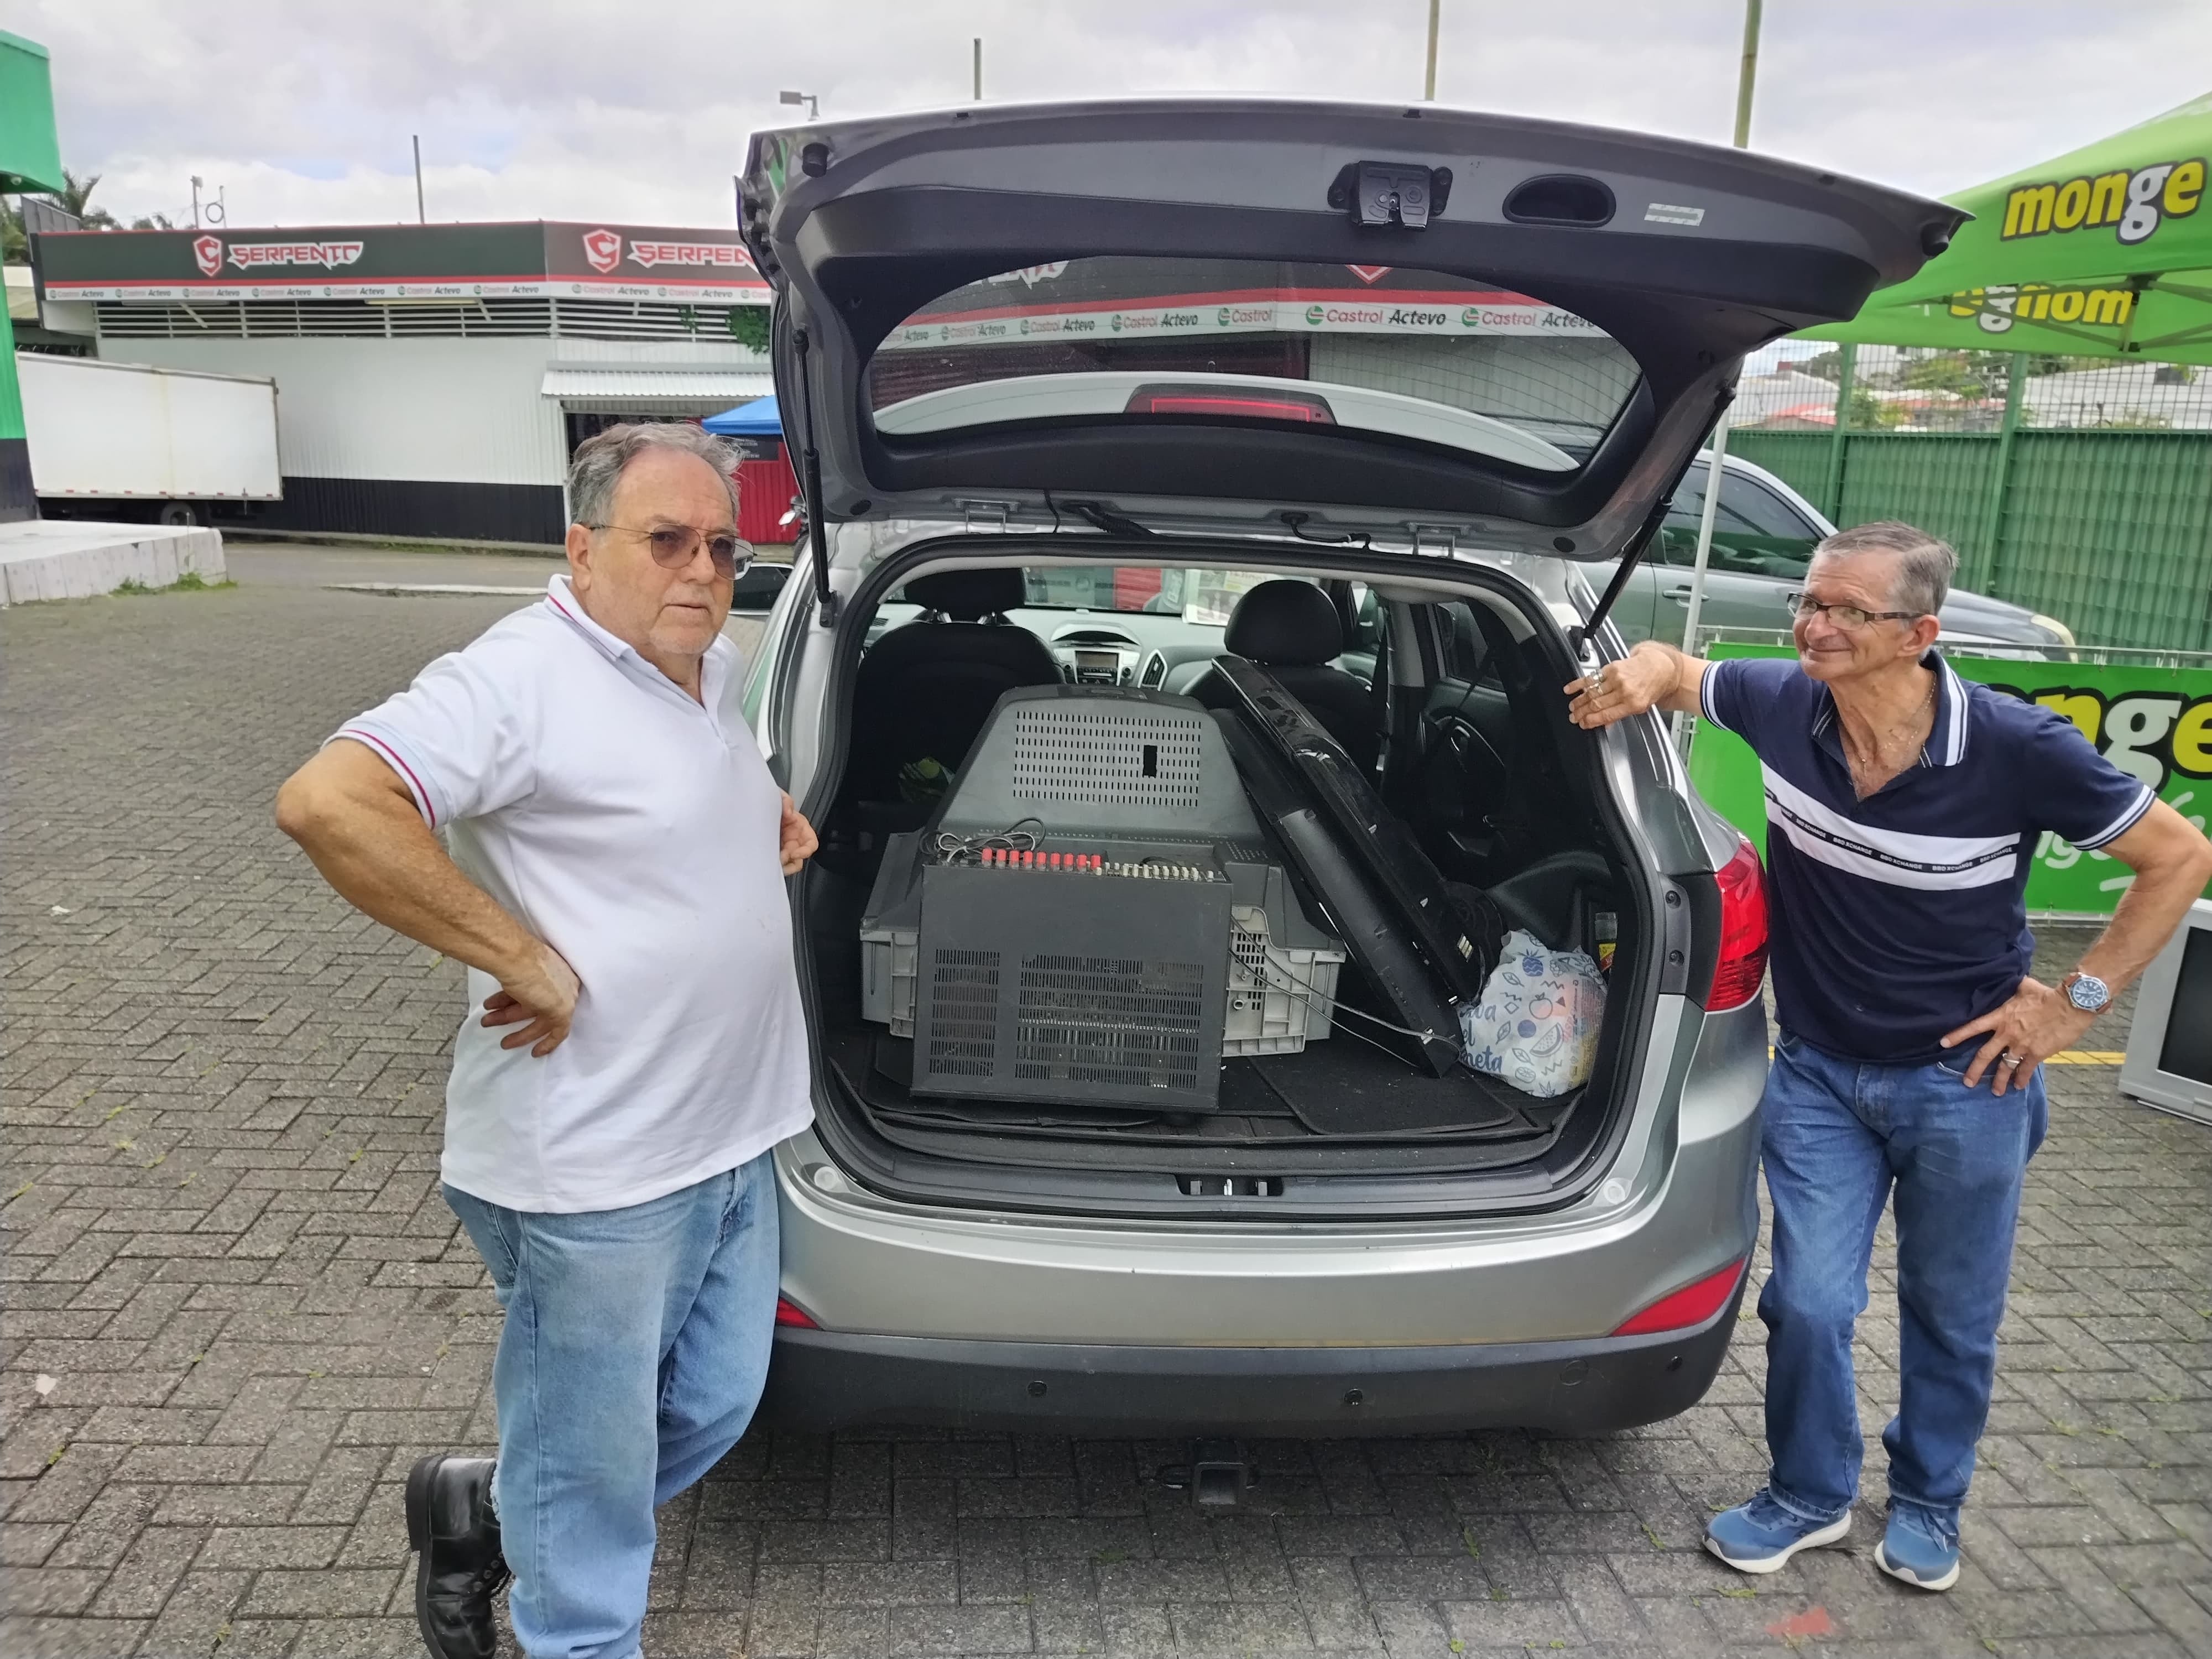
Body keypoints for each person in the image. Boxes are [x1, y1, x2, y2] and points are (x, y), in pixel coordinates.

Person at [1567, 521, 2212, 1593]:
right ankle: (1808, 1494)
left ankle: (1927, 1499)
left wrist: (2072, 1006)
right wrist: (1641, 671)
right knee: (1808, 1304)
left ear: (1919, 634)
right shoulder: (1781, 701)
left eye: (1845, 611)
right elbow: (1680, 671)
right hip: (1819, 1072)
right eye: (1807, 603)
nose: (1813, 626)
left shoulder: (2015, 746)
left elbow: (2178, 857)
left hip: (1969, 1083)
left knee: (1950, 1316)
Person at [275, 422, 817, 1659]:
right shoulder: (519, 677)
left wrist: (761, 806)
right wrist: (516, 955)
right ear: (580, 549)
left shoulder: (711, 664)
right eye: (665, 541)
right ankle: (570, 1611)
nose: (702, 571)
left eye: (723, 547)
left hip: (732, 1131)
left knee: (712, 1408)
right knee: (590, 1470)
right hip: (595, 1165)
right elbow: (329, 801)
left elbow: (672, 784)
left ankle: (494, 1509)